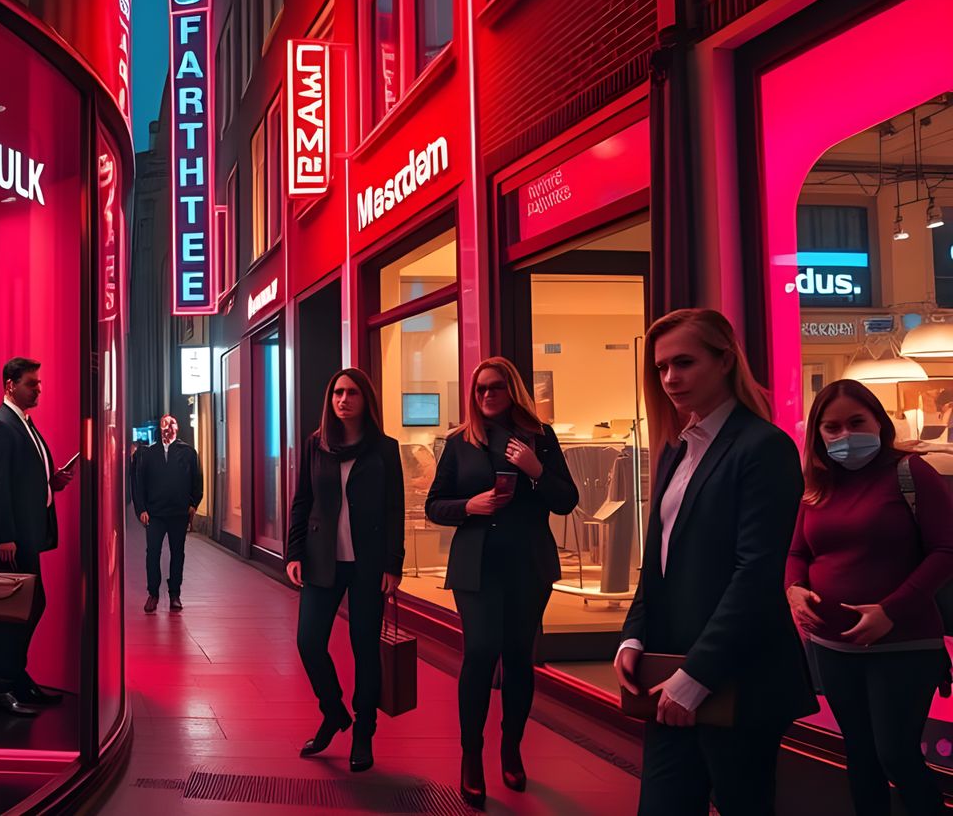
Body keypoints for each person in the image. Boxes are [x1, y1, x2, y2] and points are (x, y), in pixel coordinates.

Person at [614, 308, 816, 815]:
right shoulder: (675, 450)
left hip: (737, 677)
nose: (670, 379)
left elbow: (756, 573)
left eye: (684, 362)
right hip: (669, 674)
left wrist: (697, 676)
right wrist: (634, 635)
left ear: (725, 361)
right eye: (661, 368)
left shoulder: (763, 447)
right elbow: (657, 564)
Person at [786, 379, 953, 816]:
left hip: (904, 645)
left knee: (896, 754)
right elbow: (797, 551)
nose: (844, 436)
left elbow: (946, 550)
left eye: (856, 422)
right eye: (832, 427)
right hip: (832, 648)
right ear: (818, 434)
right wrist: (794, 589)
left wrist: (890, 611)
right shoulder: (816, 484)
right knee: (860, 756)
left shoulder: (911, 472)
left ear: (878, 421)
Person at [425, 356, 579, 808]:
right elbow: (435, 505)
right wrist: (468, 507)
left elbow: (567, 500)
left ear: (512, 390)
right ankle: (471, 755)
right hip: (476, 565)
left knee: (517, 656)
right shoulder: (459, 442)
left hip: (528, 564)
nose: (488, 395)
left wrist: (535, 469)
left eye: (496, 387)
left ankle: (510, 747)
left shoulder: (540, 438)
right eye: (480, 389)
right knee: (478, 653)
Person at [285, 367, 403, 773]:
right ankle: (334, 712)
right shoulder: (316, 445)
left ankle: (363, 734)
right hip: (322, 559)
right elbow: (302, 500)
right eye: (337, 392)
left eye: (352, 393)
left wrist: (394, 564)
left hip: (369, 564)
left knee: (365, 650)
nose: (343, 400)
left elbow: (394, 510)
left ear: (365, 399)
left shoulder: (385, 449)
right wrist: (294, 552)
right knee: (309, 642)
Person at [0, 357, 77, 715]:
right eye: (31, 384)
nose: (38, 389)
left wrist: (52, 482)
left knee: (29, 606)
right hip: (14, 539)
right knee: (12, 613)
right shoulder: (1, 426)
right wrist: (5, 535)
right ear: (10, 385)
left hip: (27, 533)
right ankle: (2, 689)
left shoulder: (23, 423)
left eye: (38, 383)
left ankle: (16, 680)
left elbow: (23, 479)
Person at [135, 414, 204, 613]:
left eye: (171, 424)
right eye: (163, 425)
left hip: (178, 513)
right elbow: (139, 484)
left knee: (177, 554)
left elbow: (197, 480)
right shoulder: (148, 453)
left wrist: (193, 504)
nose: (167, 428)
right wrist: (141, 509)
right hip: (155, 514)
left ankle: (175, 594)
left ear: (177, 427)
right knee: (152, 554)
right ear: (159, 428)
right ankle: (153, 594)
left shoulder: (189, 452)